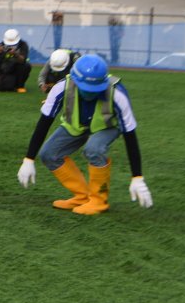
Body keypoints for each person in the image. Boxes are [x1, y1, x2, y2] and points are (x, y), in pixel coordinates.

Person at [17, 54, 152, 215]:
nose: (90, 93)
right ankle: (82, 196)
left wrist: (137, 177)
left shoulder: (117, 93)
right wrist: (29, 159)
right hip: (75, 126)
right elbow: (44, 123)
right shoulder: (61, 87)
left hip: (107, 126)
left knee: (93, 149)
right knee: (48, 154)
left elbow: (130, 135)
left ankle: (99, 201)